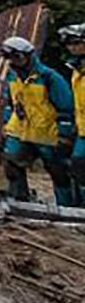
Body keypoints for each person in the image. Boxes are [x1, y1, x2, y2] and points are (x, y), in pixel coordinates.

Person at [0, 35, 76, 206]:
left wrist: (64, 134)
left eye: (17, 57)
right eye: (10, 57)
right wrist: (6, 124)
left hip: (47, 133)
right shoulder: (12, 76)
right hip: (20, 130)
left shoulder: (49, 78)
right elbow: (10, 103)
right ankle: (19, 201)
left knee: (58, 172)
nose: (14, 61)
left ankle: (66, 206)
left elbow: (66, 108)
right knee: (12, 163)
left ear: (28, 56)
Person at [58, 24, 85, 204]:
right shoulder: (77, 69)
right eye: (69, 44)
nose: (72, 47)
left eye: (76, 43)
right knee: (77, 165)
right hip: (82, 127)